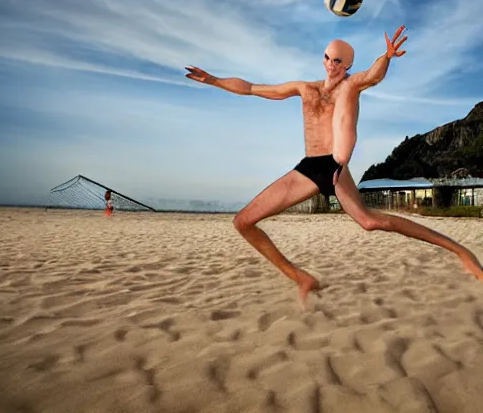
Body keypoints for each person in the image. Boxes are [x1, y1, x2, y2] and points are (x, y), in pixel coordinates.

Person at [185, 26, 483, 309]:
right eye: (327, 57)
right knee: (243, 222)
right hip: (310, 168)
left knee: (370, 221)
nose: (330, 64)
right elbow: (252, 88)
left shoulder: (351, 86)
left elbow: (373, 76)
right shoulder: (305, 88)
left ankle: (460, 250)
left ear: (348, 64)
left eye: (338, 60)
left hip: (335, 164)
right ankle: (301, 277)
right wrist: (213, 80)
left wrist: (387, 57)